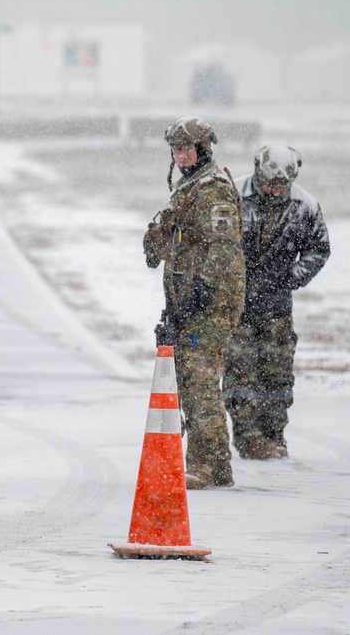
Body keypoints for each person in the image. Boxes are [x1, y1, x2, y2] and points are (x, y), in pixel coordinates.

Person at [143, 117, 246, 489]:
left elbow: (223, 247)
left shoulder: (213, 189)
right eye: (176, 150)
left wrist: (202, 290)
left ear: (203, 149)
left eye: (188, 149)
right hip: (188, 301)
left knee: (199, 380)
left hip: (212, 302)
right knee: (189, 377)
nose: (182, 156)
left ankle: (207, 464)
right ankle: (216, 464)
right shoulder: (188, 188)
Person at [223, 146, 330, 460]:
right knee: (240, 373)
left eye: (281, 187)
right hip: (237, 305)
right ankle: (248, 438)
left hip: (277, 306)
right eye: (270, 185)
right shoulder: (233, 197)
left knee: (277, 375)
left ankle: (274, 437)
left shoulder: (305, 206)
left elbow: (318, 250)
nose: (275, 191)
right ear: (258, 173)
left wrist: (290, 277)